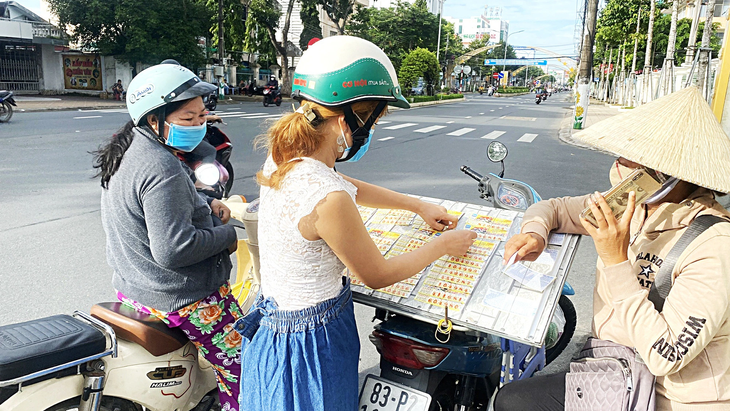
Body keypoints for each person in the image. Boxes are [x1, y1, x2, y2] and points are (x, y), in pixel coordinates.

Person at [235, 35, 477, 411]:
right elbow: (376, 274)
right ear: (350, 117)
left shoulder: (285, 157)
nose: (372, 130)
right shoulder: (329, 200)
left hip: (274, 332)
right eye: (374, 118)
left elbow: (348, 186)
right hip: (314, 345)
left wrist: (416, 205)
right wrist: (444, 246)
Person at [493, 86, 730, 410]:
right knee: (511, 398)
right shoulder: (632, 207)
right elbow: (555, 208)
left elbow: (666, 355)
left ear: (666, 173)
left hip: (669, 397)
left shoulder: (715, 246)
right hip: (616, 371)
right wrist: (535, 233)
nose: (620, 165)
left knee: (515, 402)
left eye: (633, 157)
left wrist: (615, 259)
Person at [93, 63, 243, 411]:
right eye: (187, 119)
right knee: (249, 370)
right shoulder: (161, 166)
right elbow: (174, 249)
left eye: (202, 116)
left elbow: (153, 205)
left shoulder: (128, 147)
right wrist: (227, 237)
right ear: (154, 119)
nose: (198, 126)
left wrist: (206, 202)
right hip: (183, 297)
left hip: (136, 288)